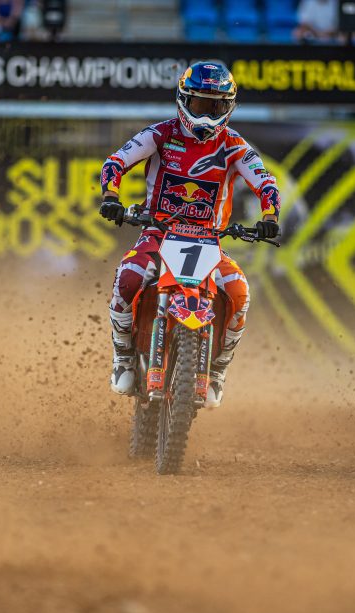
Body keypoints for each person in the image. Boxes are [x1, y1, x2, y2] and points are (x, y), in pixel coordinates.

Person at [98, 61, 281, 409]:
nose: (207, 115)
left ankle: (218, 370)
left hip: (208, 239)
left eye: (216, 107)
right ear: (184, 100)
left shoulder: (234, 145)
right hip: (158, 233)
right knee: (129, 276)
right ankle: (122, 355)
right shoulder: (160, 134)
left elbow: (265, 182)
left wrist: (270, 216)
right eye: (200, 104)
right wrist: (110, 197)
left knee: (240, 293)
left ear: (229, 107)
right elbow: (115, 162)